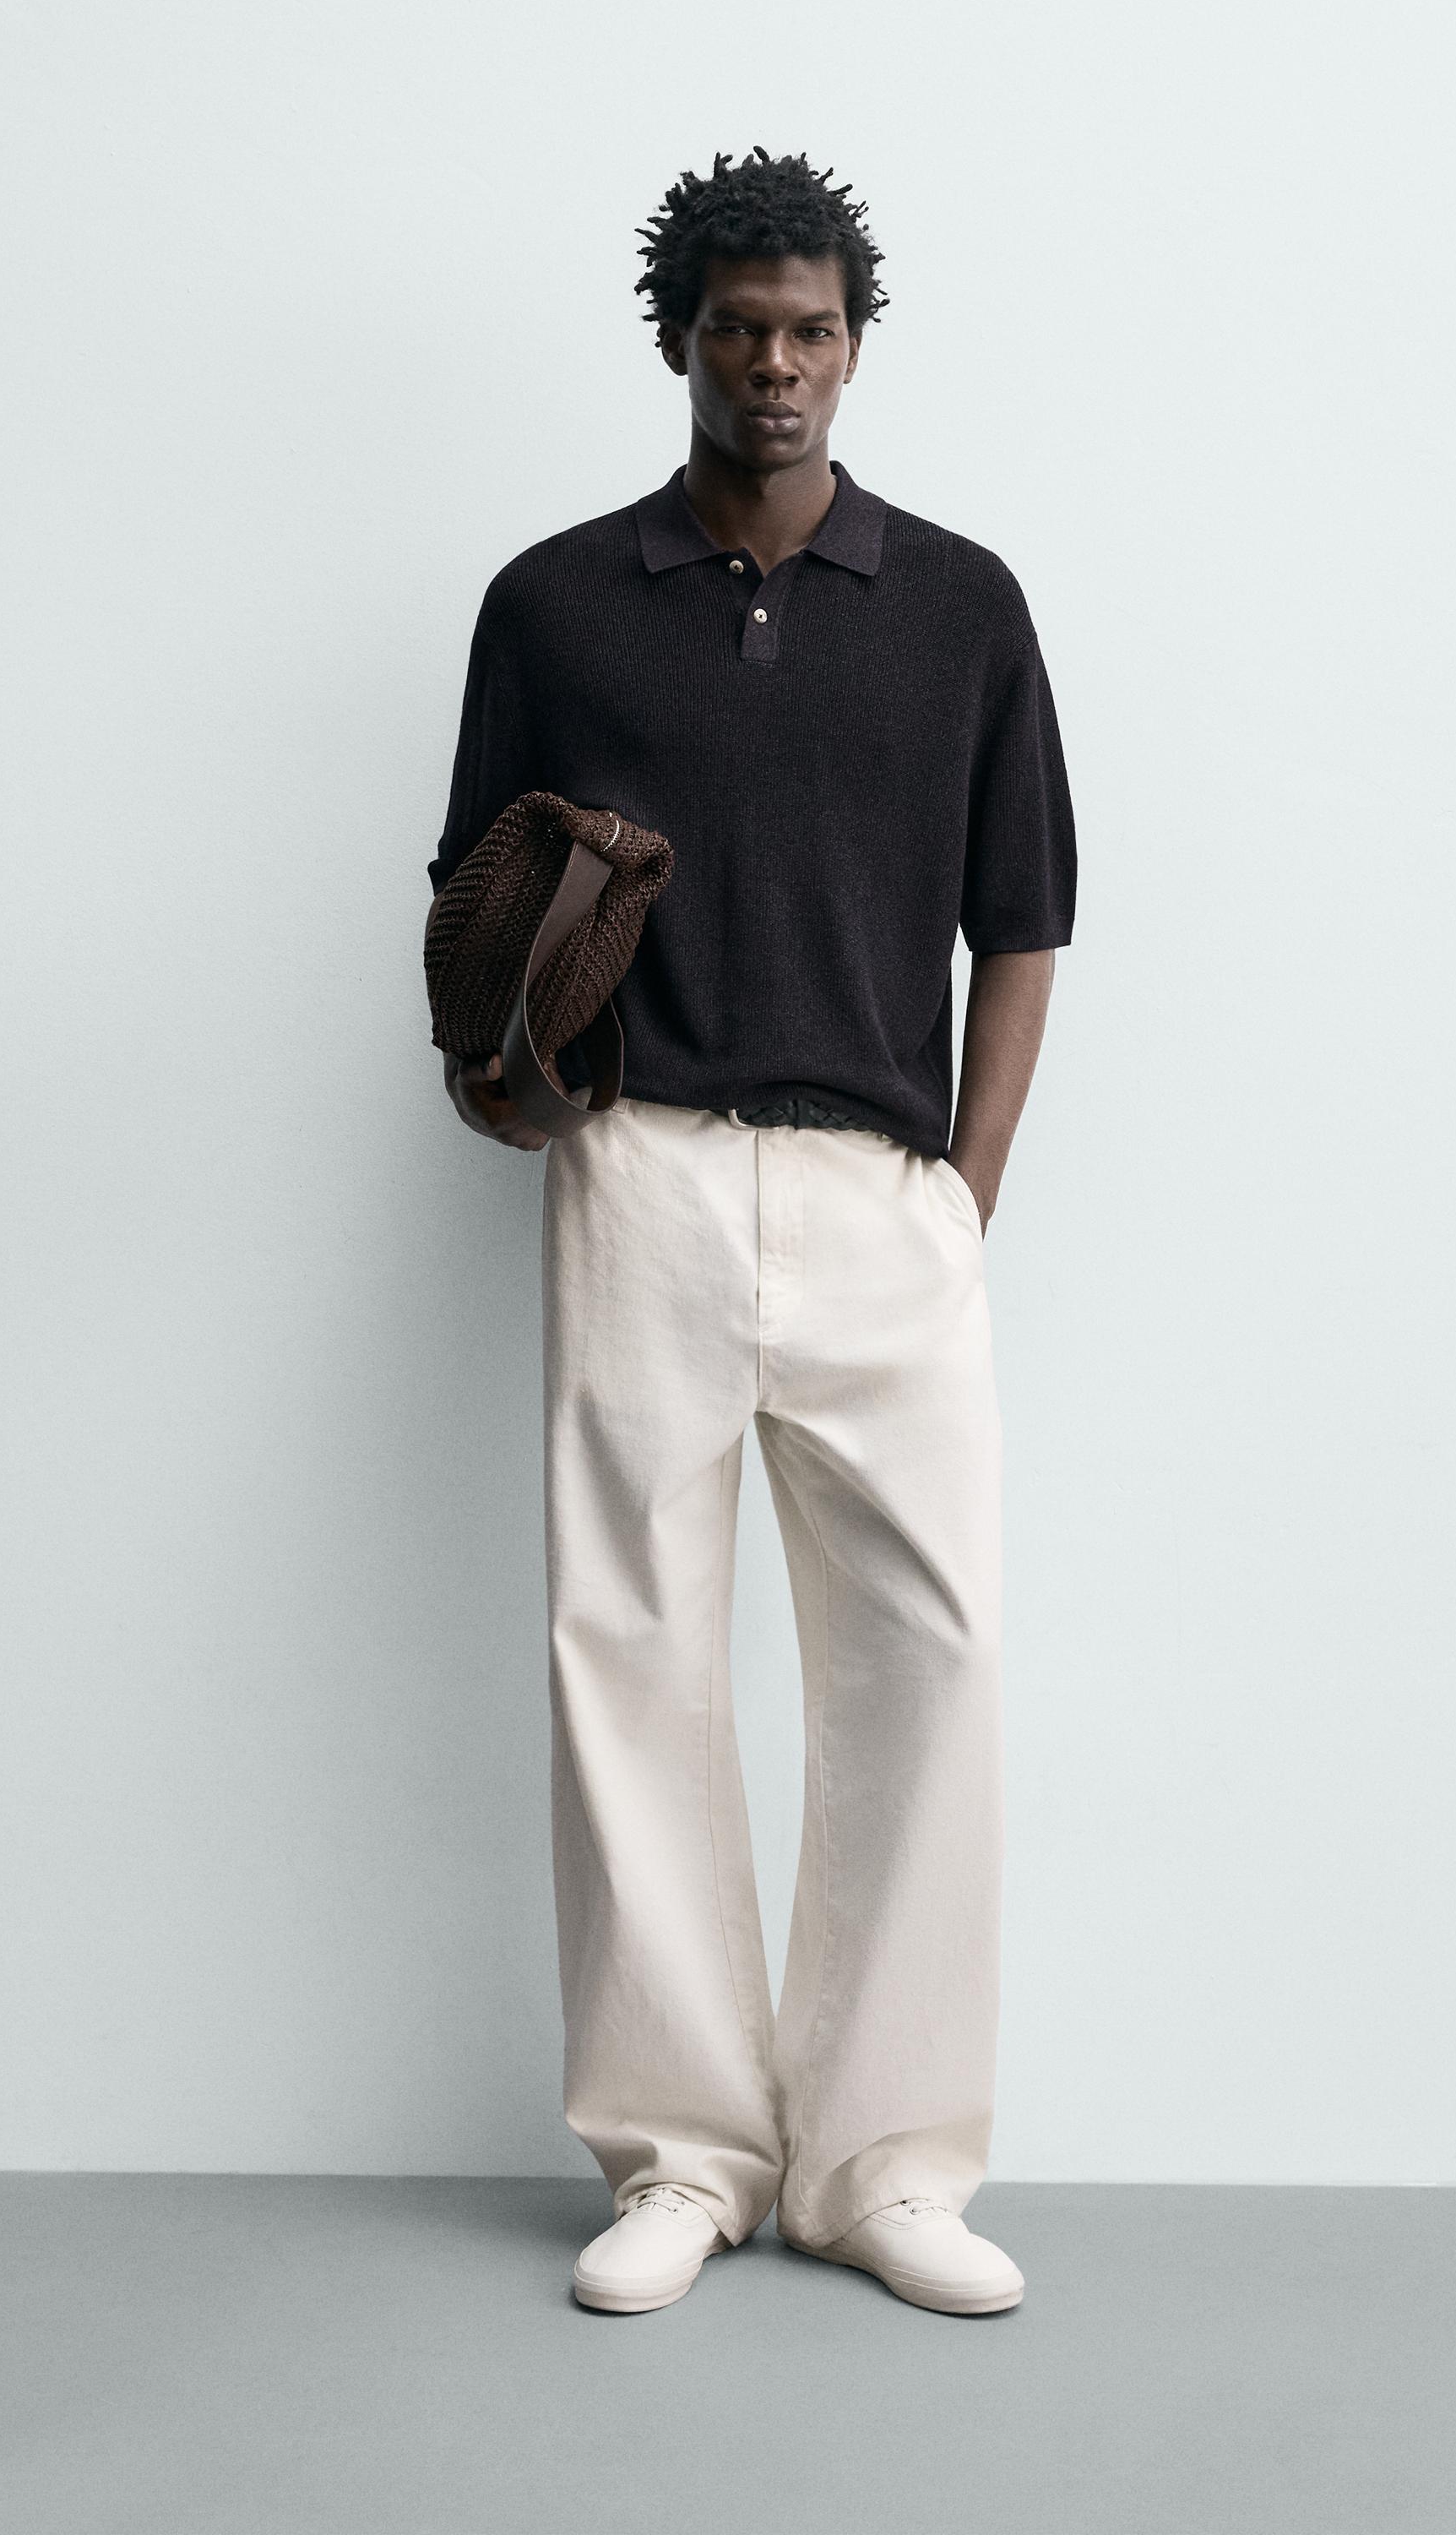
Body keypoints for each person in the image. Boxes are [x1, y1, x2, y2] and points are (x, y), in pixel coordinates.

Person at [429, 147, 1077, 2318]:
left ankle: (888, 2163)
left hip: (889, 1192)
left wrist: (966, 1193)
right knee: (628, 1649)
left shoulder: (963, 605)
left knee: (930, 1659)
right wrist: (508, 1071)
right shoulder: (552, 604)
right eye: (737, 331)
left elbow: (1023, 924)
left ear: (854, 347)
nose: (775, 367)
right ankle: (680, 2156)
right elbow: (472, 899)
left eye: (809, 332)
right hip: (645, 1179)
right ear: (678, 343)